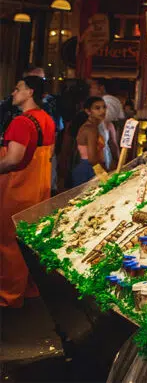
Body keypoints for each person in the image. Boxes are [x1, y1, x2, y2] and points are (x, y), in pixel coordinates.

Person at [0, 75, 56, 307]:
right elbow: (50, 154)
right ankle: (30, 289)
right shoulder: (48, 120)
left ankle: (8, 296)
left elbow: (13, 159)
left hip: (17, 190)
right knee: (29, 243)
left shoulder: (21, 122)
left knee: (8, 243)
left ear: (30, 92)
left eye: (17, 88)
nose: (13, 93)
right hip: (39, 190)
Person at [73, 97, 109, 186]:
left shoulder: (93, 127)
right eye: (97, 108)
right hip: (89, 169)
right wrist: (103, 174)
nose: (102, 111)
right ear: (88, 111)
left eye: (104, 107)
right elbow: (92, 158)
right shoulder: (90, 129)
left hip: (89, 167)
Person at [89, 79, 122, 167]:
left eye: (92, 87)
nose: (90, 90)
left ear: (101, 88)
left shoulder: (105, 101)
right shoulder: (116, 100)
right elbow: (121, 119)